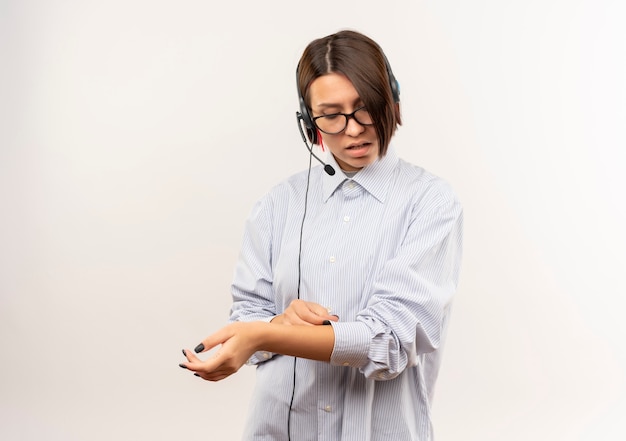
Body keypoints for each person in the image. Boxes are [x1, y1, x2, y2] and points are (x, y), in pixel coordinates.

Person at [180, 29, 463, 441]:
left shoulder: (431, 202)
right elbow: (248, 320)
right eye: (331, 114)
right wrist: (273, 324)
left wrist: (268, 333)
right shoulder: (279, 204)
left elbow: (391, 342)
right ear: (308, 121)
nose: (353, 129)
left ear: (392, 100)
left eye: (366, 107)